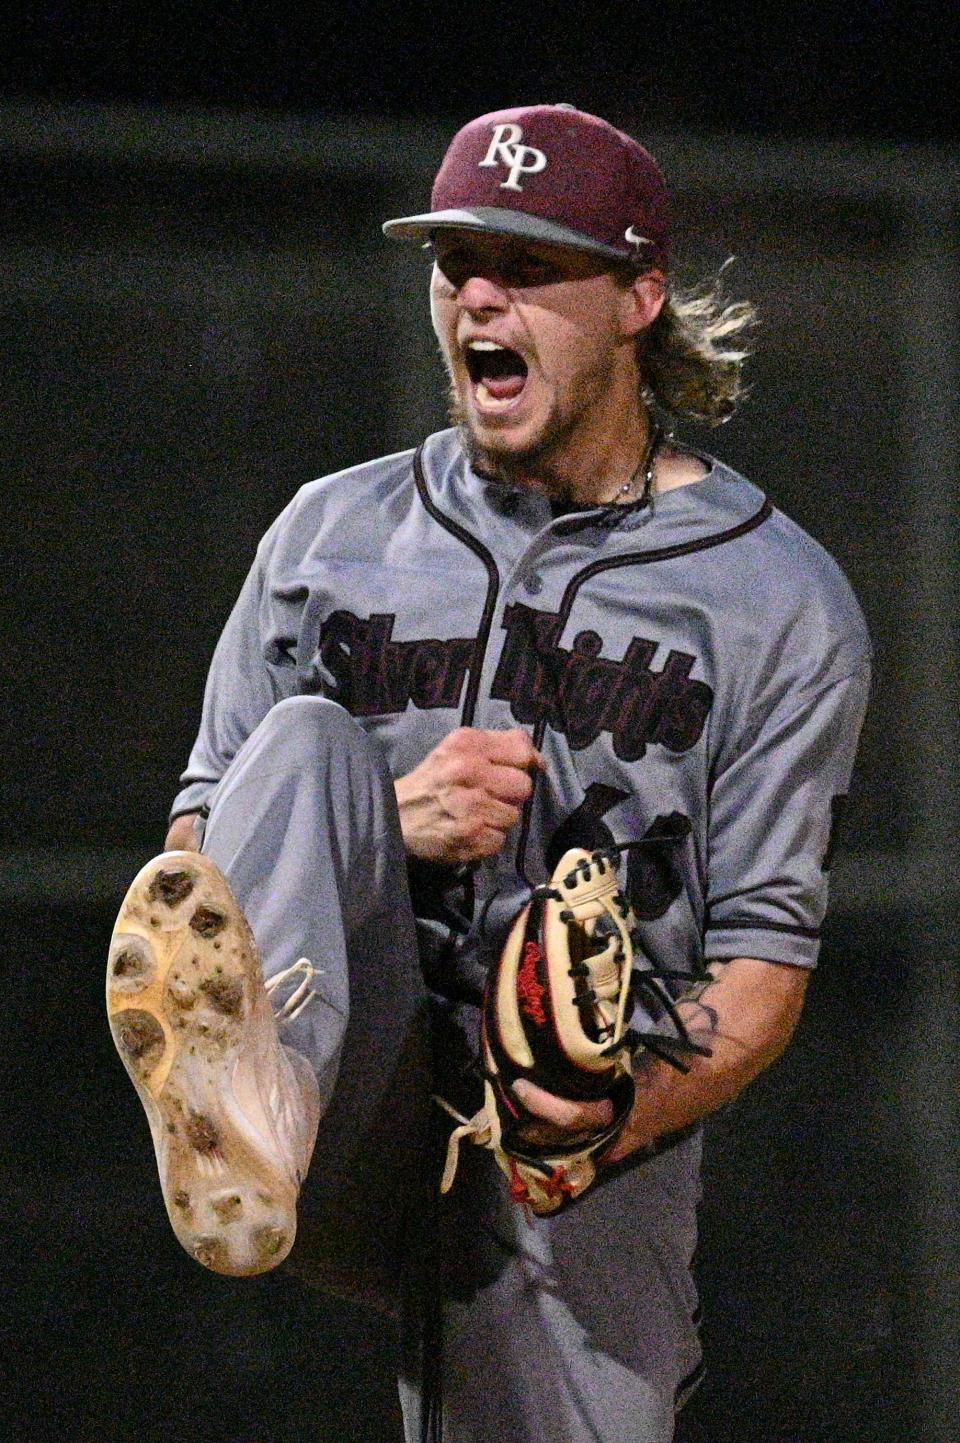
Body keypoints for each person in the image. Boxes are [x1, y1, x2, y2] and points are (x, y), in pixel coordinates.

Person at [107, 103, 871, 1443]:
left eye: (525, 266)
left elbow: (760, 972)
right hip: (343, 1084)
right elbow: (194, 865)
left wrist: (611, 1118)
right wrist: (383, 824)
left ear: (641, 295)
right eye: (455, 263)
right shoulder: (329, 534)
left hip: (571, 1127)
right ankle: (245, 1102)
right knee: (303, 752)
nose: (474, 294)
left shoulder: (778, 598)